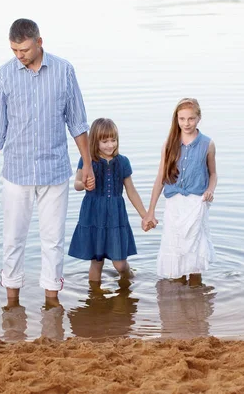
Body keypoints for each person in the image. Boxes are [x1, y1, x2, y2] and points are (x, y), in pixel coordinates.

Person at [0, 18, 95, 302]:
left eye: (25, 50)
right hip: (16, 172)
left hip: (55, 171)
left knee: (53, 241)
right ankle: (12, 300)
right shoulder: (3, 75)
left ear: (39, 42)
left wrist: (88, 163)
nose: (19, 56)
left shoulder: (64, 71)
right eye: (14, 50)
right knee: (13, 240)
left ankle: (52, 300)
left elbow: (77, 123)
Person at [142, 98, 217, 287]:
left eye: (191, 119)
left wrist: (210, 189)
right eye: (182, 119)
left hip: (196, 202)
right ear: (176, 119)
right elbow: (160, 178)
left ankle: (195, 298)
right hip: (174, 203)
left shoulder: (207, 144)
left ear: (199, 118)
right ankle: (177, 302)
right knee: (175, 251)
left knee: (194, 251)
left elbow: (213, 173)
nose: (186, 123)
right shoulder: (169, 144)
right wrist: (150, 211)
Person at [68, 118, 149, 283]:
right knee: (96, 262)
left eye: (113, 140)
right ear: (94, 141)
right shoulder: (87, 160)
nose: (110, 145)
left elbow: (131, 191)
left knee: (119, 263)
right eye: (104, 141)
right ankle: (95, 299)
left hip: (115, 216)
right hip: (93, 214)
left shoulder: (122, 162)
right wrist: (83, 184)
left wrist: (145, 215)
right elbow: (76, 184)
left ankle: (128, 280)